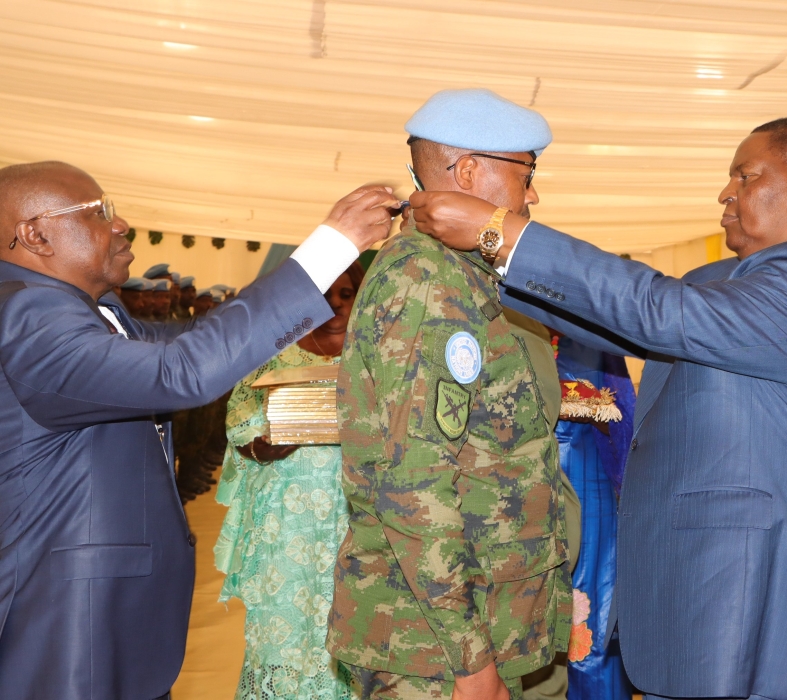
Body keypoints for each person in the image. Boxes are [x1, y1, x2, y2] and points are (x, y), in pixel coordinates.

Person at [411, 115, 787, 699]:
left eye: (746, 175)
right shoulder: (724, 279)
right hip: (708, 598)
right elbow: (627, 318)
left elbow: (660, 311)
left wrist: (501, 233)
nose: (726, 191)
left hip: (781, 599)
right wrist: (487, 260)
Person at [0, 160, 398, 699]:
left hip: (104, 604)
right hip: (66, 611)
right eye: (98, 213)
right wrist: (326, 251)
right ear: (34, 235)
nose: (120, 226)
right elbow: (182, 371)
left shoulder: (89, 309)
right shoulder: (29, 312)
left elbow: (192, 340)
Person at [329, 89, 572, 699]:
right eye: (526, 172)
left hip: (482, 626)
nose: (533, 194)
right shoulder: (424, 280)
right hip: (433, 650)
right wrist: (469, 660)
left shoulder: (461, 272)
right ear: (468, 171)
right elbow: (411, 479)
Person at [215, 261, 365, 699]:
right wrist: (260, 445)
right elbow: (238, 419)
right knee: (284, 631)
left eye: (346, 294)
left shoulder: (375, 352)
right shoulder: (273, 347)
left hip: (354, 518)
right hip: (285, 526)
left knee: (351, 628)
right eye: (324, 294)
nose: (336, 306)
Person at [552, 334, 635, 700]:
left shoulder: (583, 332)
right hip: (519, 495)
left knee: (589, 633)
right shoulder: (499, 320)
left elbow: (612, 409)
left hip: (586, 489)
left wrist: (542, 390)